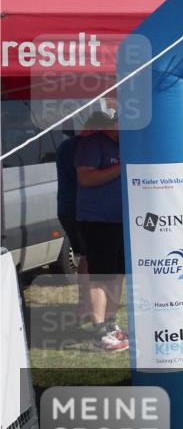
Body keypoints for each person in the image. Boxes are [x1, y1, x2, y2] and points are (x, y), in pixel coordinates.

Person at [74, 112, 127, 351]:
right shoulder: (92, 144)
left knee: (118, 275)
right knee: (100, 275)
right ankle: (99, 332)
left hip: (121, 219)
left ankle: (111, 325)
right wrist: (121, 168)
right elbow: (86, 179)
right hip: (97, 220)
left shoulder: (122, 144)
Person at [56, 129, 89, 321]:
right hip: (79, 208)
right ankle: (85, 304)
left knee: (86, 256)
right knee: (89, 257)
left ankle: (84, 303)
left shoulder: (65, 146)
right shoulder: (82, 148)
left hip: (66, 208)